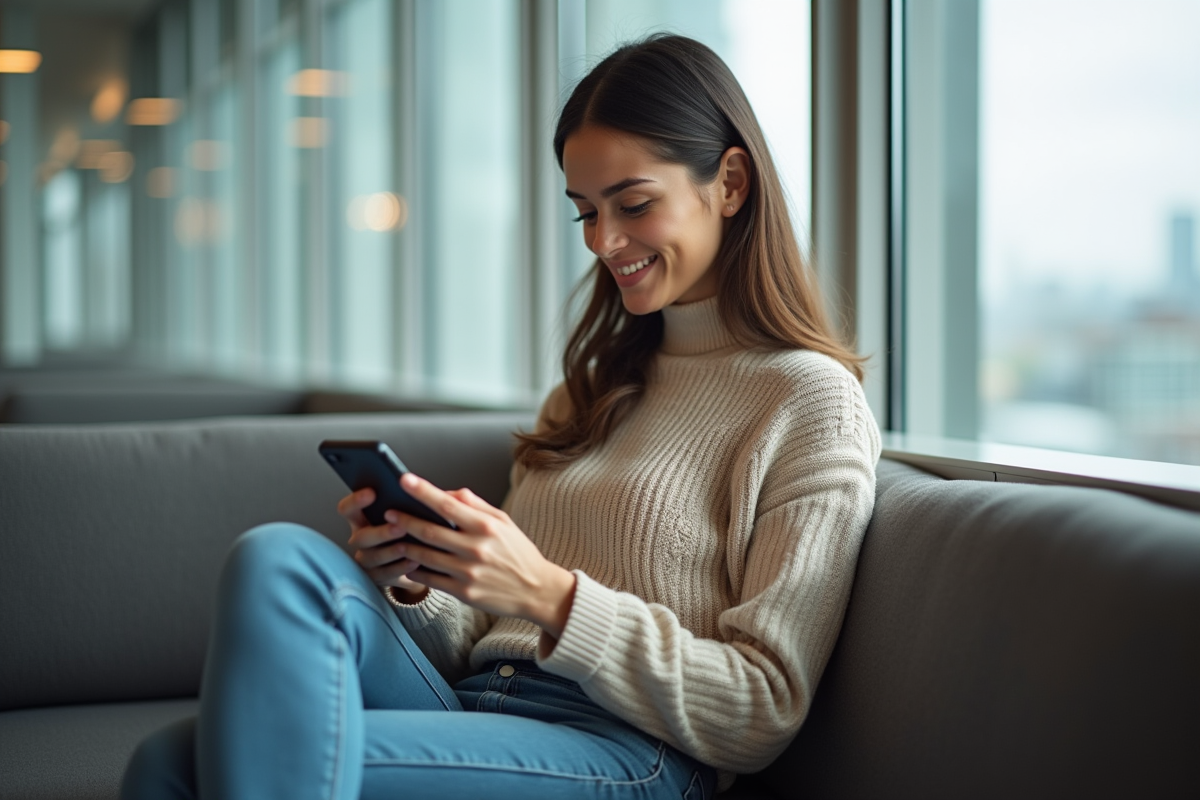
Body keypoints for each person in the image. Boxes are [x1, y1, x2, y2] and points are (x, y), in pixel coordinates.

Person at [121, 33, 880, 800]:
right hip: (479, 702)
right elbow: (486, 637)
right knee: (276, 562)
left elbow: (762, 709)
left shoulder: (808, 401)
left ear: (732, 183)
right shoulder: (591, 392)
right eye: (585, 213)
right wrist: (420, 582)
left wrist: (549, 594)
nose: (604, 241)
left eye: (633, 204)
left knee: (186, 769)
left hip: (629, 749)